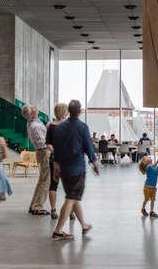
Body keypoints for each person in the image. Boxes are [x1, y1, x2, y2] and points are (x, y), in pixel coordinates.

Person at [50, 100, 100, 240]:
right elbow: (89, 147)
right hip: (77, 169)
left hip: (64, 169)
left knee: (73, 196)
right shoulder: (82, 127)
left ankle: (83, 224)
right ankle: (58, 230)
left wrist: (56, 167)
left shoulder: (59, 128)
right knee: (71, 198)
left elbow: (56, 149)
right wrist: (95, 163)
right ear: (79, 111)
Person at [24, 105, 51, 216]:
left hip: (41, 151)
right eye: (33, 109)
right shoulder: (35, 125)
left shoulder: (34, 122)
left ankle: (34, 205)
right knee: (45, 181)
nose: (36, 108)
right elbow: (42, 141)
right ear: (32, 113)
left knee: (42, 180)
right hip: (44, 151)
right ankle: (37, 206)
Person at [46, 102, 68, 220]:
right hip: (67, 159)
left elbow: (48, 144)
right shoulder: (69, 126)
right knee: (69, 185)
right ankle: (71, 211)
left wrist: (55, 151)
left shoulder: (51, 126)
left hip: (54, 159)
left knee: (53, 184)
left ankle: (53, 210)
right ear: (65, 112)